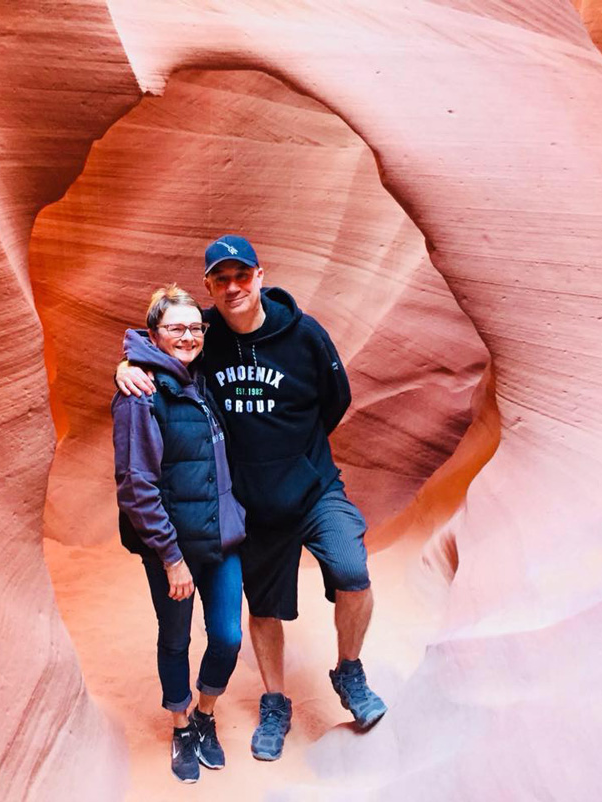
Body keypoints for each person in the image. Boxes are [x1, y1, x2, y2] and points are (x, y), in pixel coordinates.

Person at [116, 236, 386, 762]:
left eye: (243, 276)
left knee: (353, 570)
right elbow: (158, 349)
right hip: (252, 506)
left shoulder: (305, 335)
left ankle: (349, 671)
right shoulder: (204, 336)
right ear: (210, 287)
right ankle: (274, 701)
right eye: (222, 279)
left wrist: (295, 457)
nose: (234, 287)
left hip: (312, 489)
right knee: (264, 608)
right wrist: (124, 366)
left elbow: (337, 400)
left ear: (261, 275)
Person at [112, 284, 246, 783]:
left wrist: (126, 361)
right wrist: (171, 557)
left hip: (221, 540)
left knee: (228, 638)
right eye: (175, 329)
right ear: (155, 334)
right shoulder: (141, 395)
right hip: (174, 550)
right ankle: (181, 726)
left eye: (195, 328)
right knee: (175, 638)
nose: (188, 336)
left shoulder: (200, 378)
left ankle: (206, 715)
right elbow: (136, 486)